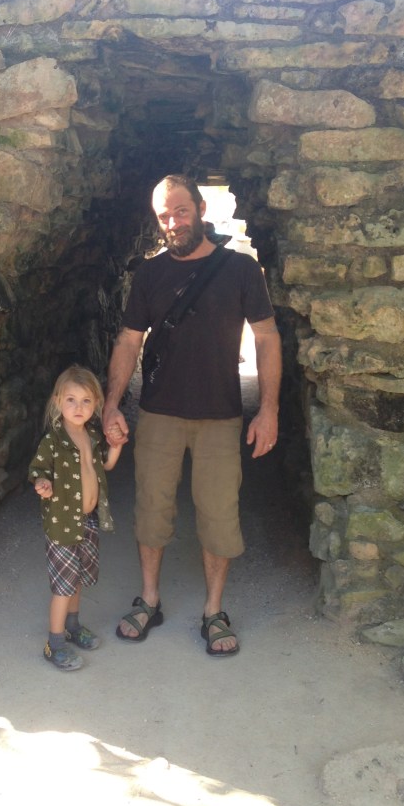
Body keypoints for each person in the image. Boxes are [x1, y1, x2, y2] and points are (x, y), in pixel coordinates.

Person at [102, 174, 281, 656]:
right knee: (152, 509)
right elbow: (128, 340)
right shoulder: (150, 274)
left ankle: (213, 610)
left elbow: (266, 337)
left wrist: (268, 409)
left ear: (200, 208)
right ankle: (150, 598)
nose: (173, 222)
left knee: (219, 514)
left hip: (221, 415)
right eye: (164, 216)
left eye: (181, 211)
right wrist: (112, 402)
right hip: (159, 411)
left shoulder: (240, 270)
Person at [28, 365, 122, 671]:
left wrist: (117, 447)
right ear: (57, 401)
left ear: (95, 403)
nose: (78, 407)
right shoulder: (53, 440)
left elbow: (105, 466)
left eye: (85, 401)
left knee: (78, 577)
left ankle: (73, 625)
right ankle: (54, 643)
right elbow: (39, 470)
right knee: (63, 586)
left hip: (88, 520)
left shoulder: (92, 435)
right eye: (71, 400)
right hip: (62, 523)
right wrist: (43, 485)